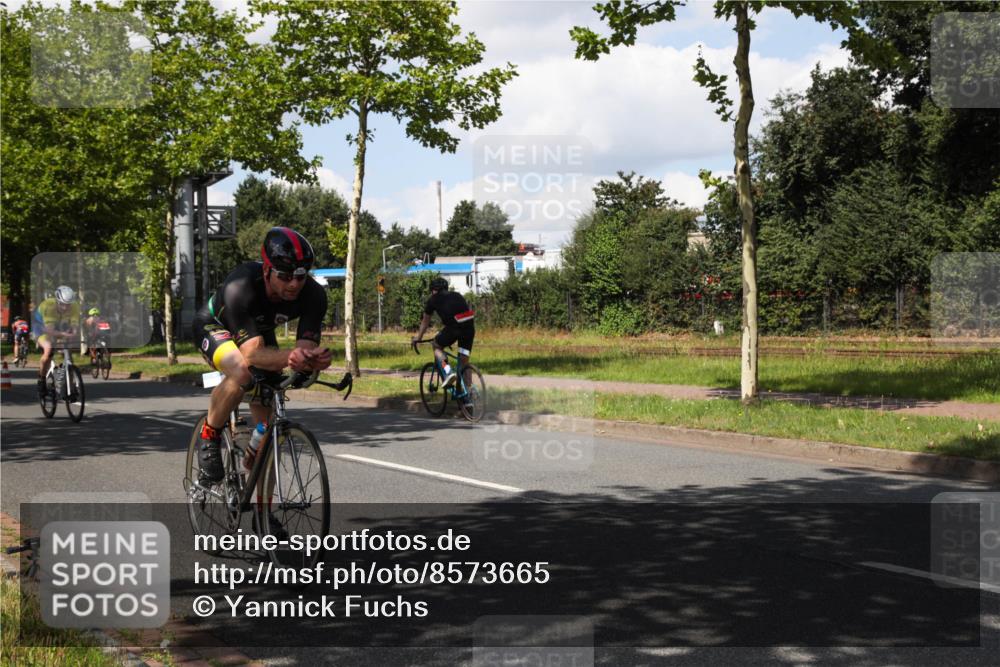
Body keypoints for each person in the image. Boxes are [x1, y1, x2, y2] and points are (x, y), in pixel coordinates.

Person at [192, 227, 331, 484]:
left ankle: (261, 501)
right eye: (285, 275)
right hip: (214, 325)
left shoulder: (314, 295)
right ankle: (209, 435)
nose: (294, 283)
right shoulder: (241, 284)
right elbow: (252, 354)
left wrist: (312, 361)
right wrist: (292, 357)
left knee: (268, 441)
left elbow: (304, 350)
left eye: (300, 276)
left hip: (257, 332)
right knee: (242, 371)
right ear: (267, 270)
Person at [411, 277, 475, 388]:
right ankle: (469, 393)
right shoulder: (457, 295)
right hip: (469, 328)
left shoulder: (433, 299)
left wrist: (419, 338)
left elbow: (425, 322)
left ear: (433, 290)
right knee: (464, 361)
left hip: (454, 329)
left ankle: (448, 371)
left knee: (436, 345)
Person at [34, 286, 81, 396]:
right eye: (62, 304)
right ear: (57, 301)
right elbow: (49, 330)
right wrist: (64, 334)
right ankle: (41, 379)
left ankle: (70, 386)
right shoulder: (48, 307)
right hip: (41, 327)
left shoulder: (75, 306)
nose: (65, 307)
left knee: (68, 352)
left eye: (68, 305)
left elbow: (74, 324)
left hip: (59, 323)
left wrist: (73, 333)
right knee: (49, 349)